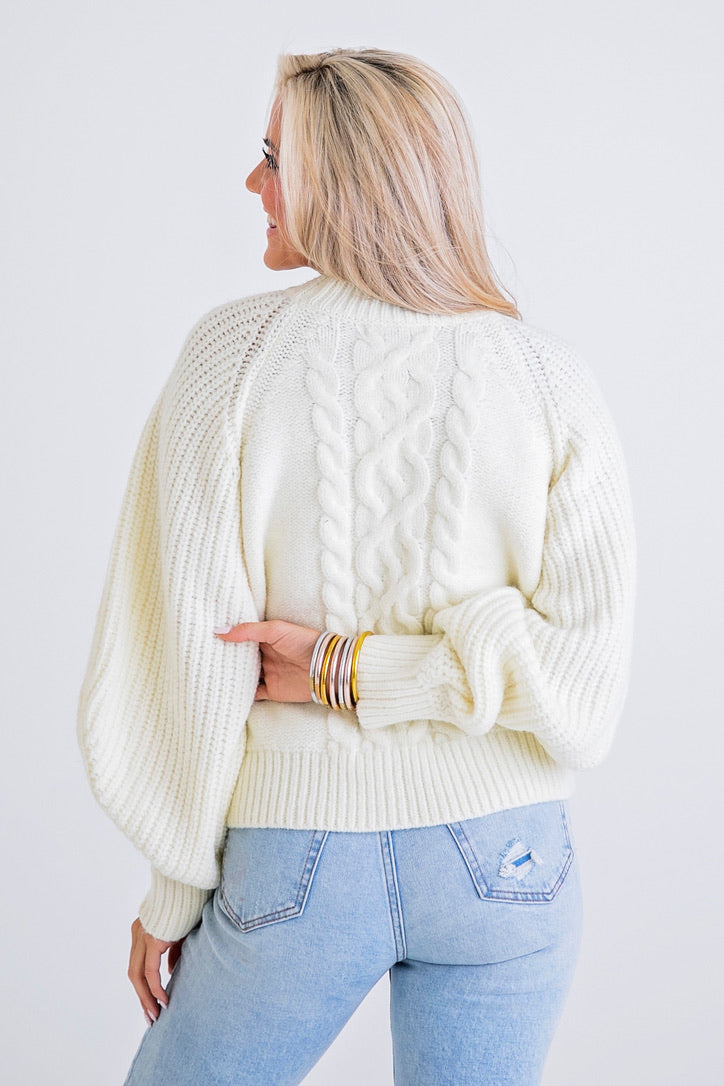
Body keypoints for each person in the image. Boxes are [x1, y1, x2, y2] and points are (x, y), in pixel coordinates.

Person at [77, 48, 636, 1086]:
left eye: (273, 158)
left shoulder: (232, 360)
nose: (252, 182)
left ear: (340, 177)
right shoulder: (550, 380)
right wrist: (409, 668)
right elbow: (583, 689)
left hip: (301, 851)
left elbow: (191, 658)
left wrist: (175, 887)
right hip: (508, 864)